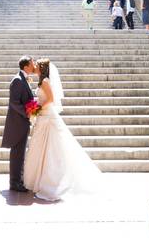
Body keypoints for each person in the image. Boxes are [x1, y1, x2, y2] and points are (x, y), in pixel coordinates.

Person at [23, 59, 102, 200]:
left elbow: (51, 99)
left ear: (42, 68)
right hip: (43, 117)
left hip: (47, 117)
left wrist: (37, 109)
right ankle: (39, 179)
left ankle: (50, 181)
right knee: (40, 148)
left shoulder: (46, 81)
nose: (35, 67)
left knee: (51, 150)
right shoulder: (42, 81)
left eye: (37, 66)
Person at [2, 56, 37, 192]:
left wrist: (33, 110)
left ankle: (18, 180)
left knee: (20, 153)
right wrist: (28, 113)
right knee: (17, 153)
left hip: (23, 123)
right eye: (32, 63)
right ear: (26, 66)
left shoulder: (24, 79)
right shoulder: (17, 80)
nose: (34, 65)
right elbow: (14, 103)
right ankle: (15, 182)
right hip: (18, 123)